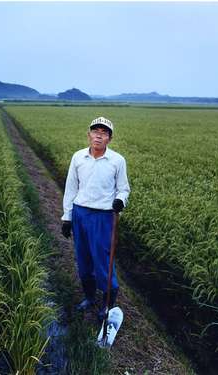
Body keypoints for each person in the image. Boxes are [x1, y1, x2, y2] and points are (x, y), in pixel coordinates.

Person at [61, 116, 131, 321]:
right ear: (89, 134)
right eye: (95, 131)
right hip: (80, 213)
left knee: (102, 260)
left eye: (104, 133)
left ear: (109, 138)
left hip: (103, 217)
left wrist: (120, 201)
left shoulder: (117, 160)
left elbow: (123, 189)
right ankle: (89, 297)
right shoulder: (78, 157)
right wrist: (67, 218)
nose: (99, 136)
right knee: (83, 259)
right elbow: (71, 188)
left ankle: (107, 303)